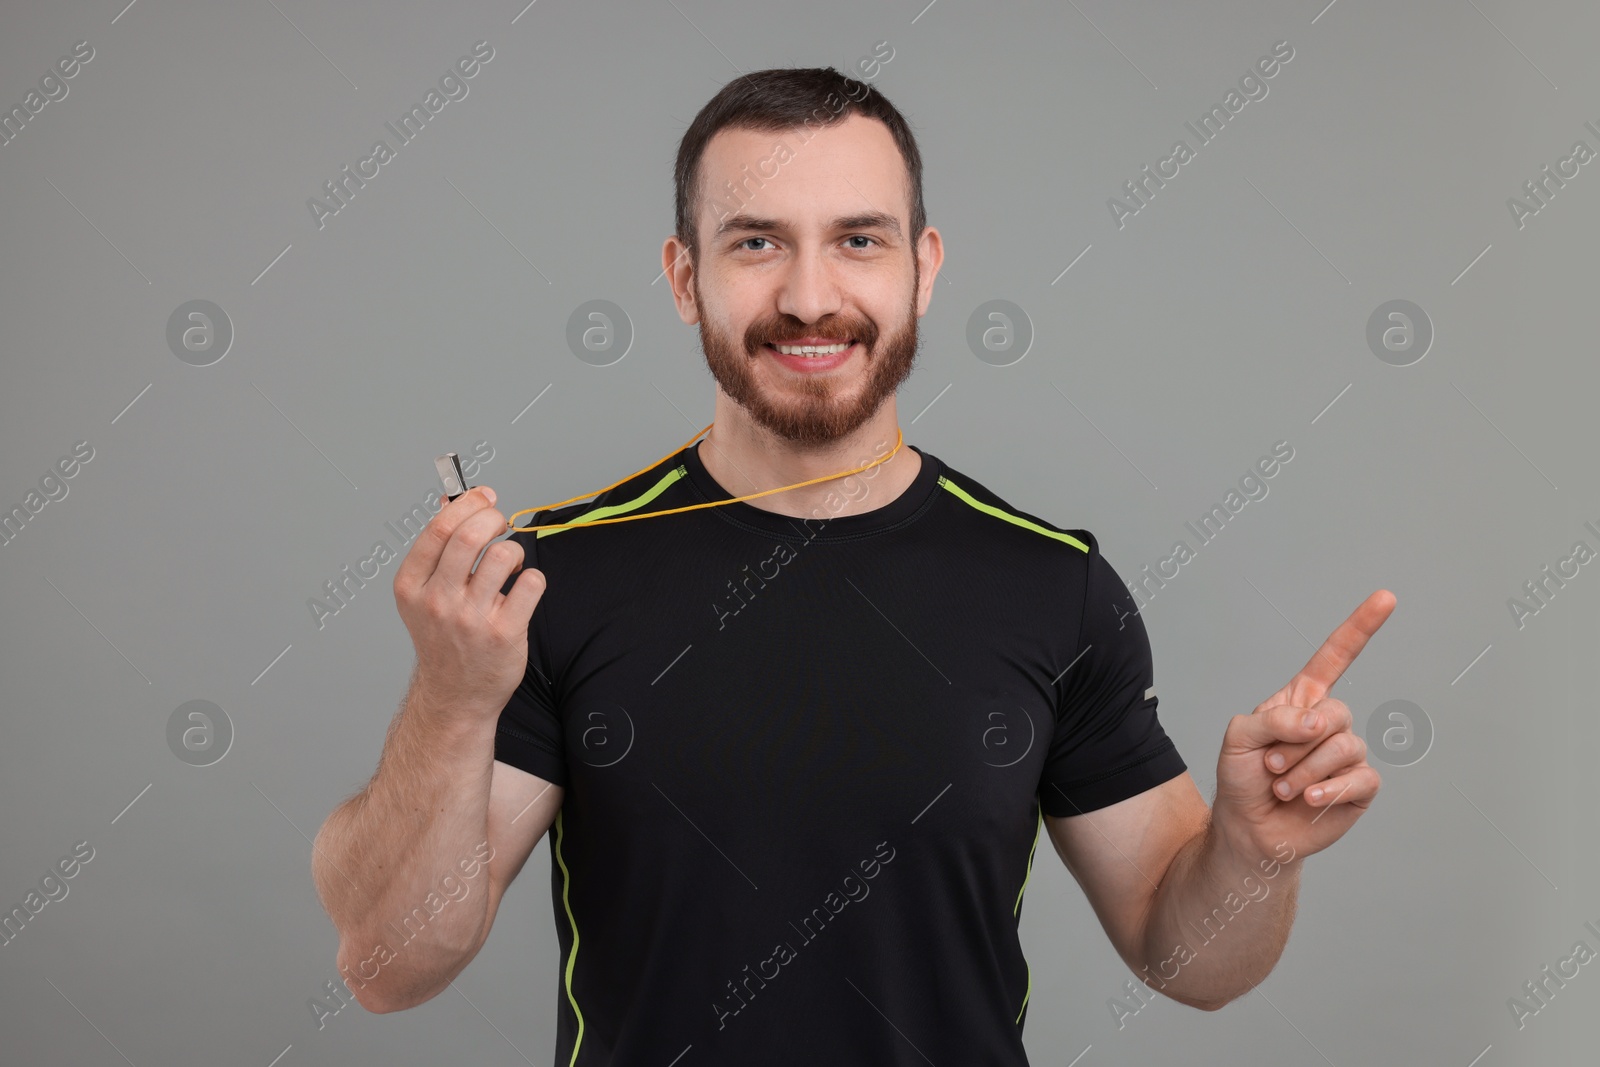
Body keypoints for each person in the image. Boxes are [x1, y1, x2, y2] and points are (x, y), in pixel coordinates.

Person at [311, 66, 1396, 1064]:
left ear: (924, 269)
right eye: (755, 243)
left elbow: (1191, 960)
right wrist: (454, 698)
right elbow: (391, 964)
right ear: (684, 277)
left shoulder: (1052, 586)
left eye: (859, 240)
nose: (809, 296)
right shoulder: (555, 578)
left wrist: (1255, 851)